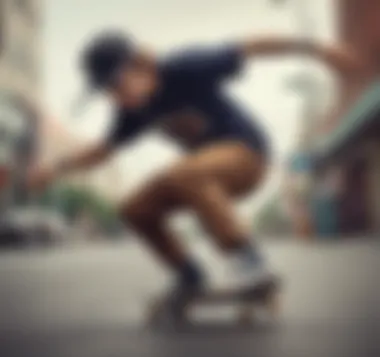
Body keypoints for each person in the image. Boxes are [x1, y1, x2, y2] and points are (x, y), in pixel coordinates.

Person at [28, 30, 363, 310]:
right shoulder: (132, 112)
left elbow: (250, 46)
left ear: (139, 65)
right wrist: (55, 169)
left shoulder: (184, 66)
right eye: (106, 92)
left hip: (247, 156)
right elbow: (102, 150)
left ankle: (250, 261)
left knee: (185, 171)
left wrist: (319, 50)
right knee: (134, 209)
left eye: (117, 86)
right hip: (199, 176)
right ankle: (189, 276)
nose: (115, 98)